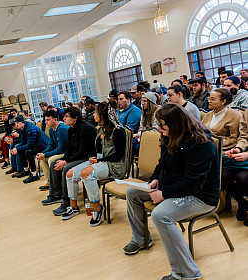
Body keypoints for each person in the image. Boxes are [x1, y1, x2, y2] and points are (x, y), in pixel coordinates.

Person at [123, 103, 220, 280]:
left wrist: (164, 193)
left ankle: (186, 273)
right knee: (132, 193)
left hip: (200, 196)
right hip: (174, 187)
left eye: (162, 125)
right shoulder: (170, 135)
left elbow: (193, 184)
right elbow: (162, 164)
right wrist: (154, 180)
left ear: (176, 123)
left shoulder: (200, 144)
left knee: (160, 215)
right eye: (158, 125)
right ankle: (141, 239)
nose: (159, 129)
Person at [63, 101, 127, 226]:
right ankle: (73, 207)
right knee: (70, 174)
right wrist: (94, 159)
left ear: (102, 115)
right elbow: (97, 149)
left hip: (114, 164)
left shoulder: (118, 130)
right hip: (101, 161)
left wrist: (98, 161)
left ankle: (97, 209)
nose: (93, 115)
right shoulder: (101, 129)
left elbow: (119, 154)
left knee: (87, 174)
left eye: (96, 113)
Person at [42, 107, 97, 216]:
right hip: (79, 155)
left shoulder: (85, 129)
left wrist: (66, 162)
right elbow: (69, 149)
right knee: (54, 163)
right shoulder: (71, 128)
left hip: (88, 158)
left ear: (75, 118)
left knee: (67, 168)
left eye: (67, 116)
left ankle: (66, 202)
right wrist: (63, 160)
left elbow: (82, 153)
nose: (64, 118)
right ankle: (55, 195)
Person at [223, 109, 248, 226]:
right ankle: (242, 202)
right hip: (244, 154)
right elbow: (244, 137)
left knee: (242, 178)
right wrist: (238, 149)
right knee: (222, 175)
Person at [36, 110, 69, 191]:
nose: (46, 122)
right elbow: (51, 145)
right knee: (43, 158)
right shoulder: (51, 129)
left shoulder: (62, 129)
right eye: (45, 120)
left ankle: (58, 184)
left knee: (51, 160)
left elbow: (61, 149)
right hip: (61, 151)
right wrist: (43, 153)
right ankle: (50, 181)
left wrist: (45, 154)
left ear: (55, 120)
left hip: (67, 152)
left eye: (48, 120)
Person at [12, 115, 49, 184]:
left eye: (17, 122)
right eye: (15, 123)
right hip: (36, 144)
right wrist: (16, 148)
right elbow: (23, 141)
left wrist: (18, 148)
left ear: (22, 122)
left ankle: (34, 174)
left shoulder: (30, 128)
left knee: (28, 152)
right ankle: (26, 170)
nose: (16, 124)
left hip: (43, 146)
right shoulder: (22, 128)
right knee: (20, 150)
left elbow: (30, 145)